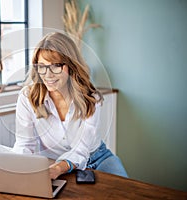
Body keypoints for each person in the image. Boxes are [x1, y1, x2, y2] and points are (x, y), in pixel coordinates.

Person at [12, 32, 128, 179]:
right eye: (42, 66)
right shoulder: (27, 98)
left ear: (71, 65)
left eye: (56, 66)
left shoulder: (90, 98)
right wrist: (16, 166)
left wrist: (59, 168)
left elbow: (82, 148)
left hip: (97, 159)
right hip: (52, 163)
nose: (48, 75)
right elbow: (24, 144)